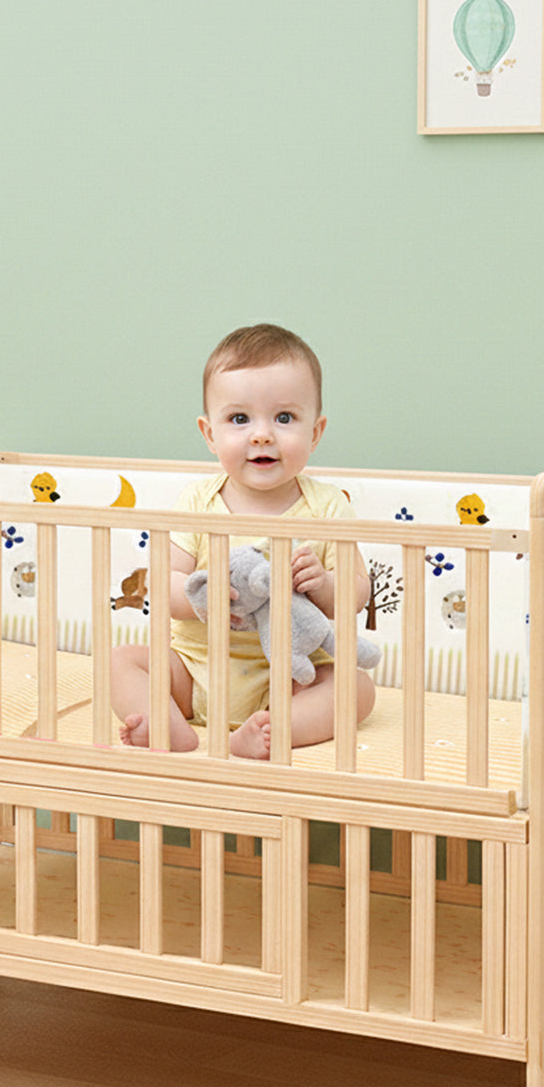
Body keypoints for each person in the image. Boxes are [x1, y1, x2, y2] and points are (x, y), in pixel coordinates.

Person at [110, 324, 376, 760]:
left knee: (357, 688)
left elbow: (358, 590)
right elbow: (163, 584)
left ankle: (274, 728)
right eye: (239, 419)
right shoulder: (197, 502)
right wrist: (203, 595)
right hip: (196, 669)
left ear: (316, 431)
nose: (261, 435)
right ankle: (167, 724)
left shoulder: (328, 507)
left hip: (293, 677)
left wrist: (324, 584)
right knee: (121, 660)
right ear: (209, 433)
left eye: (284, 418)